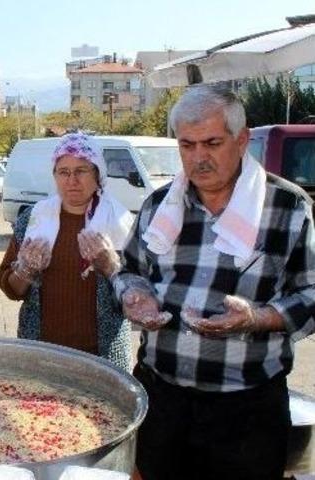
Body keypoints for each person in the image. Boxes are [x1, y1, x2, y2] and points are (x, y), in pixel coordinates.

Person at [114, 85, 315, 479]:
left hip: (246, 411)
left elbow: (312, 293)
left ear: (242, 141)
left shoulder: (286, 208)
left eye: (212, 143)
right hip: (162, 397)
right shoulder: (160, 204)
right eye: (187, 145)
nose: (198, 158)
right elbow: (128, 269)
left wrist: (259, 318)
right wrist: (135, 294)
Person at [0, 132, 134, 370]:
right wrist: (25, 271)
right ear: (55, 176)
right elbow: (12, 289)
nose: (72, 180)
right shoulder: (33, 219)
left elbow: (137, 298)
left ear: (98, 174)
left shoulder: (120, 222)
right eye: (64, 172)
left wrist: (112, 268)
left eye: (81, 170)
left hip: (102, 359)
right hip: (41, 355)